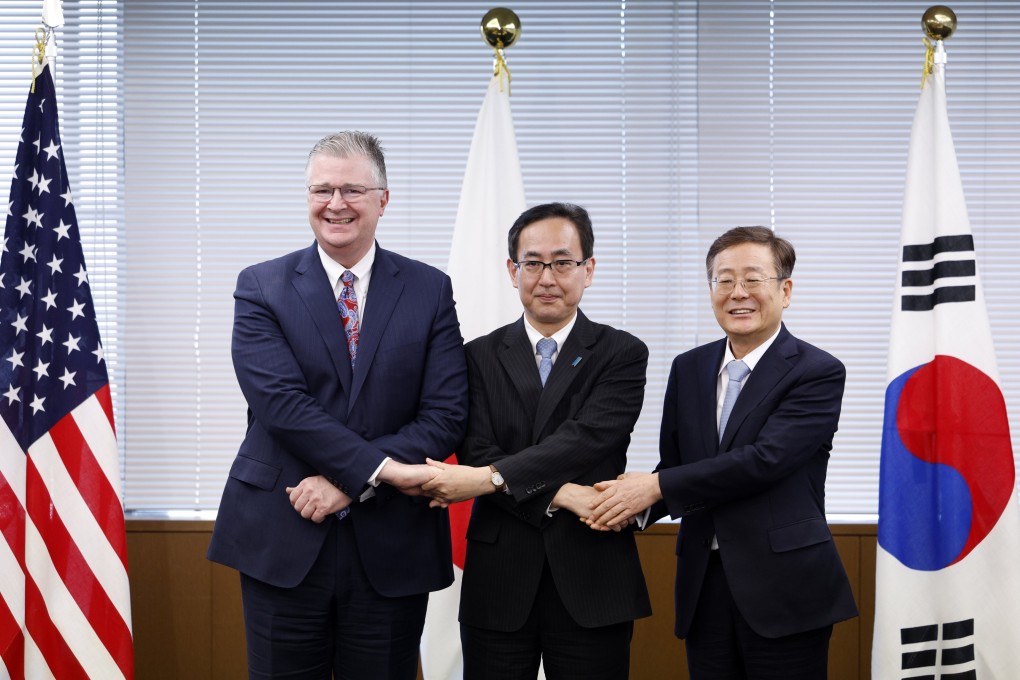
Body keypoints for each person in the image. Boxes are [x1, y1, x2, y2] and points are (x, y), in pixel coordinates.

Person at [206, 131, 468, 680]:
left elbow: (445, 414)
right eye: (321, 189)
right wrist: (379, 468)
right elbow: (281, 405)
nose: (336, 204)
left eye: (352, 189)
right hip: (282, 533)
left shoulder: (429, 289)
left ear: (382, 199)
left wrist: (352, 481)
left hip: (392, 543)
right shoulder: (261, 286)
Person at [587, 226, 858, 679]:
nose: (738, 293)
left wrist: (653, 488)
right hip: (703, 584)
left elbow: (765, 461)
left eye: (753, 279)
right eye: (724, 280)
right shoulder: (688, 368)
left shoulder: (817, 371)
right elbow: (676, 467)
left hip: (785, 587)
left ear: (785, 290)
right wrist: (621, 507)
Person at [421, 203, 651, 680]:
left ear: (588, 270)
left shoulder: (622, 353)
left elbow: (586, 439)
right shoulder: (477, 356)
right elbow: (479, 451)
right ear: (513, 270)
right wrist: (565, 494)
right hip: (500, 576)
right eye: (533, 262)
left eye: (563, 262)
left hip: (593, 573)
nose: (548, 277)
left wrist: (493, 478)